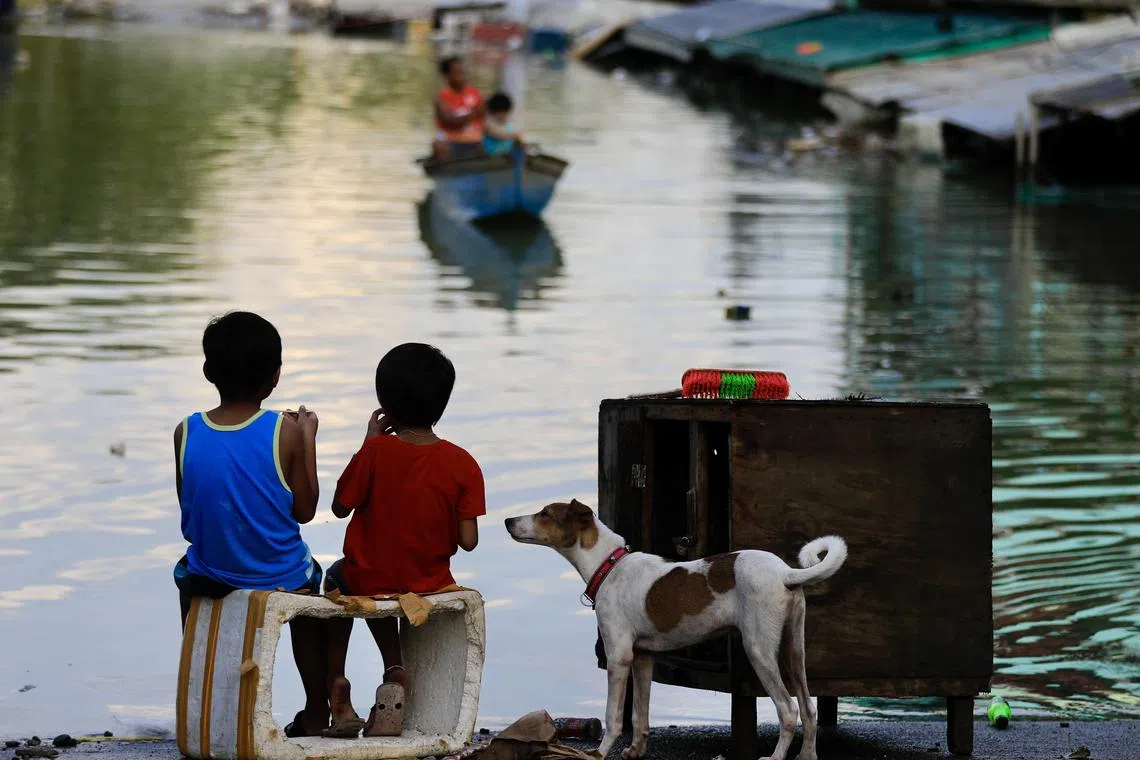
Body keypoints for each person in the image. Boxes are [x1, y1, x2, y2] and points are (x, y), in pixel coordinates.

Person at [173, 311, 329, 738]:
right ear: (275, 377)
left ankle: (204, 697)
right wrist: (308, 437)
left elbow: (191, 516)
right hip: (280, 576)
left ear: (208, 371)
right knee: (311, 581)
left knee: (186, 568)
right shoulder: (285, 431)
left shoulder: (185, 430)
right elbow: (305, 510)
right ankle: (318, 708)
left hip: (212, 574)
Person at [322, 343, 485, 738]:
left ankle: (338, 689)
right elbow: (469, 541)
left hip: (368, 578)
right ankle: (394, 671)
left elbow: (340, 507)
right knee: (387, 586)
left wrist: (368, 443)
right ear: (442, 403)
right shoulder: (463, 462)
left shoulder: (376, 452)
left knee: (339, 580)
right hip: (428, 581)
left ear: (385, 405)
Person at [433, 56, 485, 161]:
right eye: (457, 73)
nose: (462, 76)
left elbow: (487, 118)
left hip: (474, 140)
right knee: (438, 146)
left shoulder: (475, 93)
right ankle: (449, 172)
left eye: (463, 72)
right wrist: (475, 113)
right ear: (446, 75)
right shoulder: (441, 98)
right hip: (451, 141)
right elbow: (450, 121)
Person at [482, 92, 523, 156]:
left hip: (506, 153)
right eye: (500, 113)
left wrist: (519, 140)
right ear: (492, 112)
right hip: (491, 155)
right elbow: (498, 135)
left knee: (520, 150)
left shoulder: (509, 125)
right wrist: (514, 135)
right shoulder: (488, 124)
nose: (503, 116)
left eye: (505, 113)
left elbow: (515, 137)